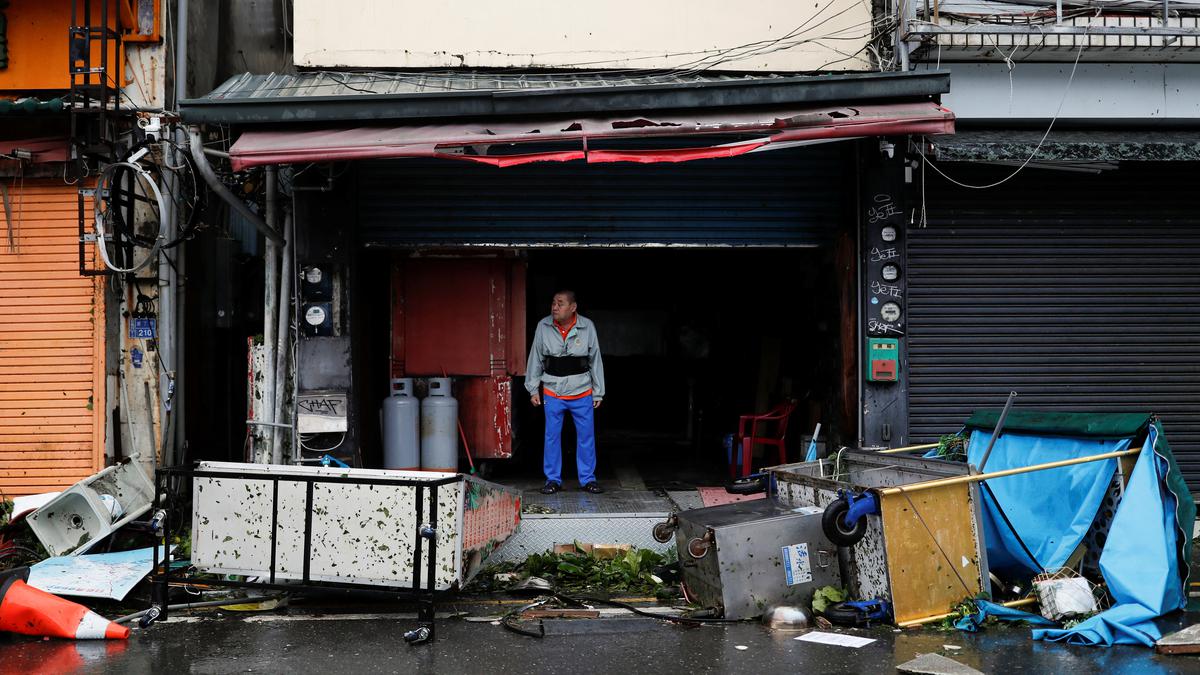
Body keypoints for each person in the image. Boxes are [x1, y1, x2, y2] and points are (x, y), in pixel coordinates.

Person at [525, 290, 606, 494]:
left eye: (560, 304)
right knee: (552, 436)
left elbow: (595, 359)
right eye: (553, 303)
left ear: (573, 307)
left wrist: (598, 392)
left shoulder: (587, 326)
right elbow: (536, 358)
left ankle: (588, 479)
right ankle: (552, 480)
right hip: (553, 390)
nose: (554, 307)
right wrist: (533, 388)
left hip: (582, 390)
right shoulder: (543, 326)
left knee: (586, 436)